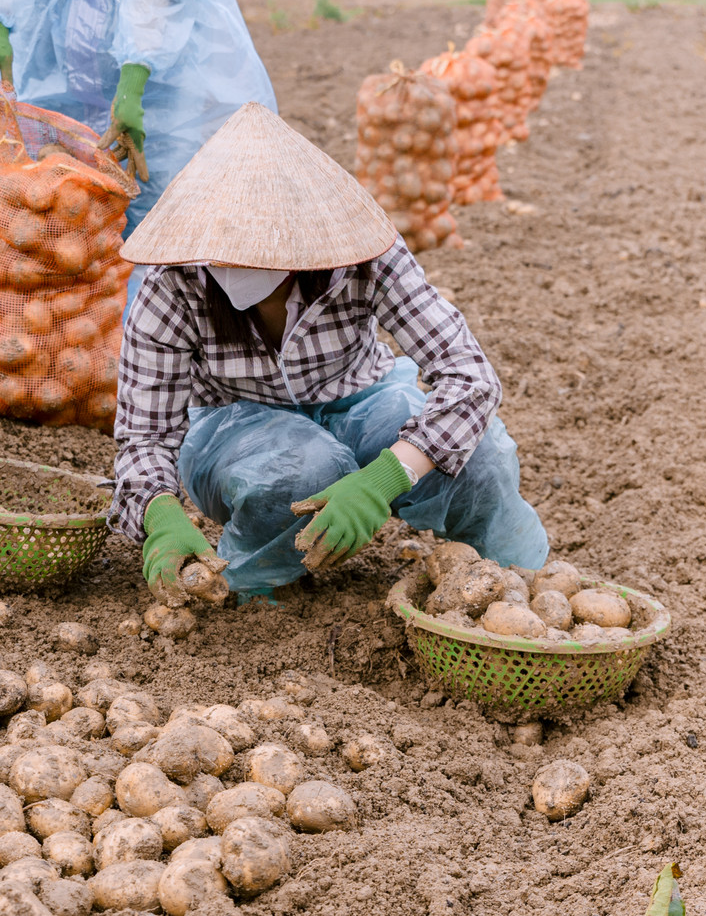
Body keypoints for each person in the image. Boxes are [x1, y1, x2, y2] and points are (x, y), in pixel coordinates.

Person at [111, 103, 549, 604]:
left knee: (479, 456)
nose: (234, 259)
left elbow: (470, 378)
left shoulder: (363, 255)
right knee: (300, 468)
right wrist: (160, 514)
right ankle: (253, 589)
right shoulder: (173, 284)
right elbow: (143, 436)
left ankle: (520, 585)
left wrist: (384, 480)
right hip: (237, 425)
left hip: (361, 398)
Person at [0, 0, 278, 303]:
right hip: (56, 47)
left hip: (166, 61)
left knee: (168, 211)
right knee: (71, 216)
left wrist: (135, 76)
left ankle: (176, 327)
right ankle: (103, 328)